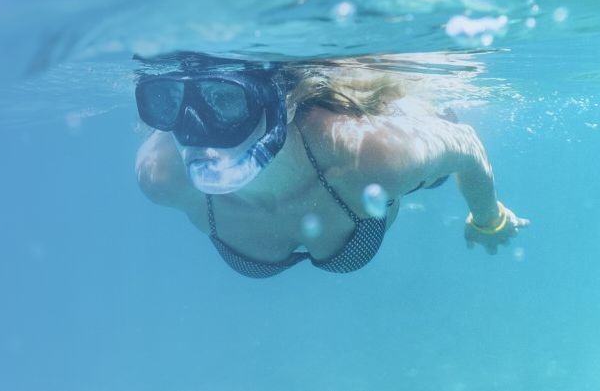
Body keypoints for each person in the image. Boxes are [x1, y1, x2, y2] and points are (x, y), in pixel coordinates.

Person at [133, 53, 528, 278]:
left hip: (373, 150)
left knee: (430, 164)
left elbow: (467, 144)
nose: (194, 131)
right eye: (166, 103)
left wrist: (488, 218)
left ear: (285, 103)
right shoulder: (161, 175)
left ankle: (427, 114)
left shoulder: (369, 155)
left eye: (226, 100)